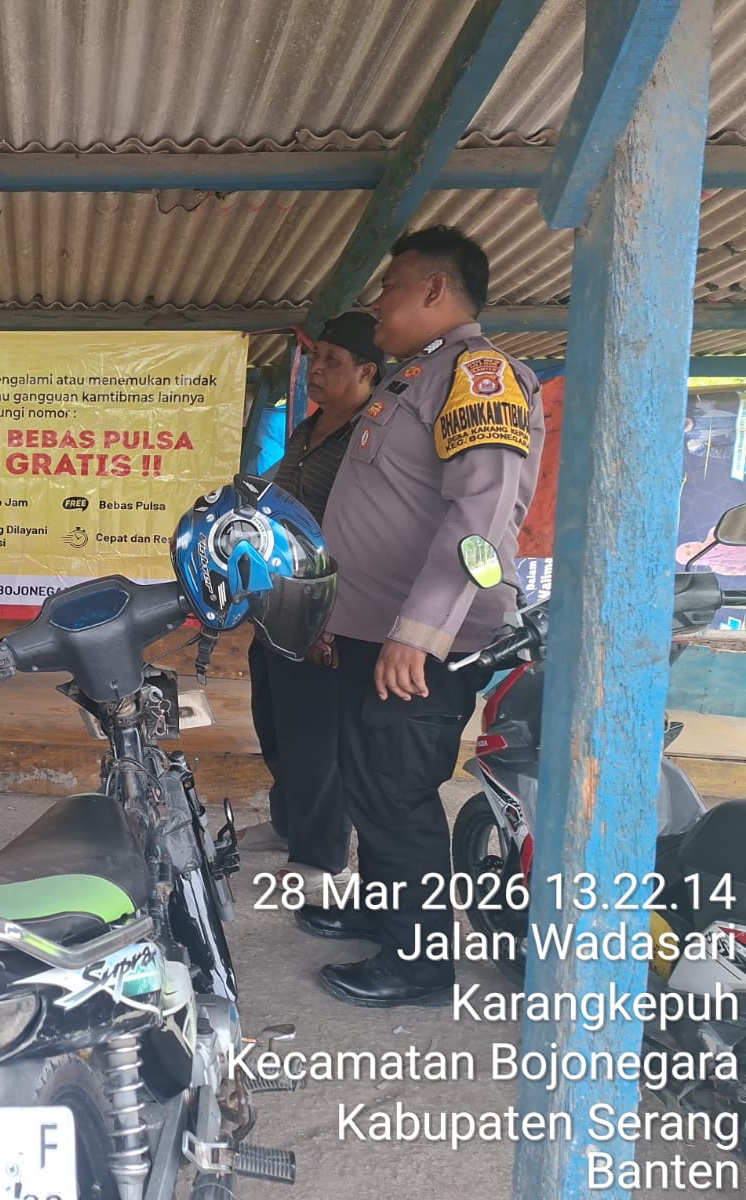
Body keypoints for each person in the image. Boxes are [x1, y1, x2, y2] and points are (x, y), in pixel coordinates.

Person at [303, 226, 544, 1007]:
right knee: (370, 783)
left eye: (390, 286)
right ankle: (386, 915)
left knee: (398, 791)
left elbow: (480, 516)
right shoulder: (417, 377)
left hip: (424, 640)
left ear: (435, 289)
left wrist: (420, 632)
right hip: (375, 630)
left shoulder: (480, 376)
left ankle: (419, 962)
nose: (378, 303)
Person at [245, 312, 384, 906]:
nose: (317, 370)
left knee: (316, 738)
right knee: (275, 723)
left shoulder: (370, 438)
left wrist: (334, 618)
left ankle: (320, 859)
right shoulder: (310, 429)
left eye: (332, 360)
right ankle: (288, 824)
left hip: (328, 614)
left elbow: (366, 534)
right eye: (316, 357)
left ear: (367, 372)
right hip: (281, 603)